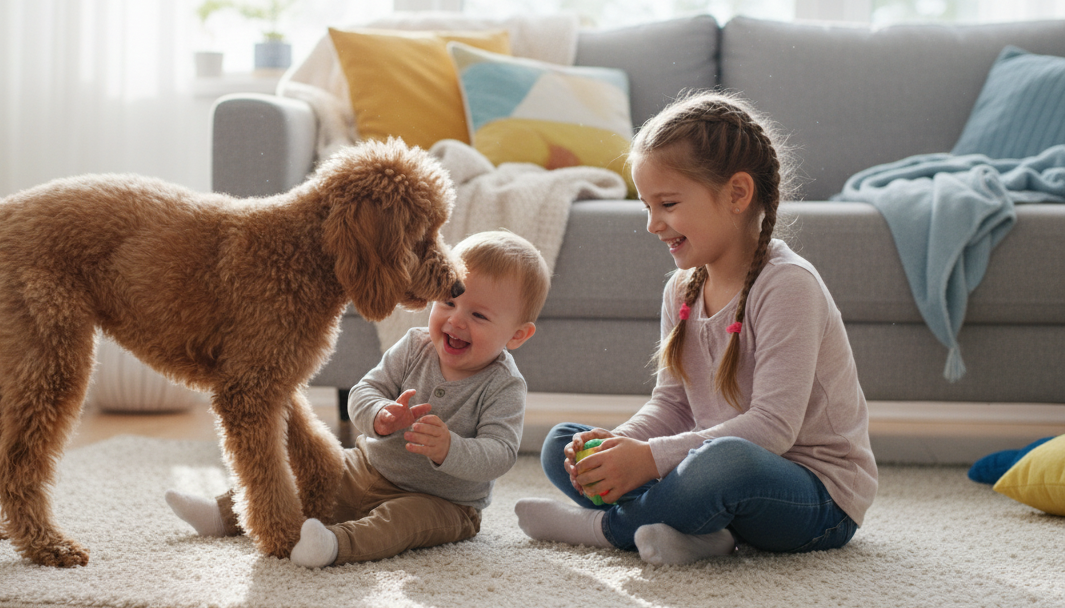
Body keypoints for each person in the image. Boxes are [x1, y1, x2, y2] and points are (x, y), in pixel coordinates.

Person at [514, 91, 878, 565]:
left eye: (666, 203)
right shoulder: (681, 288)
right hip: (713, 476)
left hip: (815, 496)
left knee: (725, 461)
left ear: (737, 194)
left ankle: (607, 528)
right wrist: (620, 446)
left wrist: (647, 460)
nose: (652, 224)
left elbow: (773, 430)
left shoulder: (789, 285)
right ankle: (699, 536)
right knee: (563, 443)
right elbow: (671, 404)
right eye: (647, 207)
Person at [167, 229, 550, 567]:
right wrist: (379, 414)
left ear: (517, 335)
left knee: (398, 524)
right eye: (448, 302)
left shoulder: (504, 385)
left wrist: (448, 449)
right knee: (312, 473)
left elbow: (500, 453)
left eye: (479, 316)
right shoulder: (415, 345)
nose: (455, 321)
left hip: (443, 502)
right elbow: (365, 390)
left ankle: (335, 545)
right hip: (367, 466)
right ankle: (224, 512)